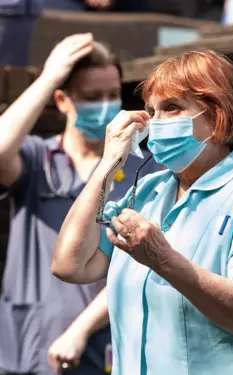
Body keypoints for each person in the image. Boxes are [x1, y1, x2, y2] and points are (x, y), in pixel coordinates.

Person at [52, 50, 233, 375]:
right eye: (151, 112)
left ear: (217, 115)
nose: (155, 123)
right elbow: (70, 264)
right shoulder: (148, 191)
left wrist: (163, 260)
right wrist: (107, 164)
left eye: (172, 108)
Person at [0, 33, 160, 375]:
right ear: (62, 100)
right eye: (91, 97)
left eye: (112, 94)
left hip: (102, 345)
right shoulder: (36, 158)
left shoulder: (144, 170)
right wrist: (48, 77)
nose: (105, 105)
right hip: (26, 344)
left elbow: (139, 262)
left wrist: (82, 328)